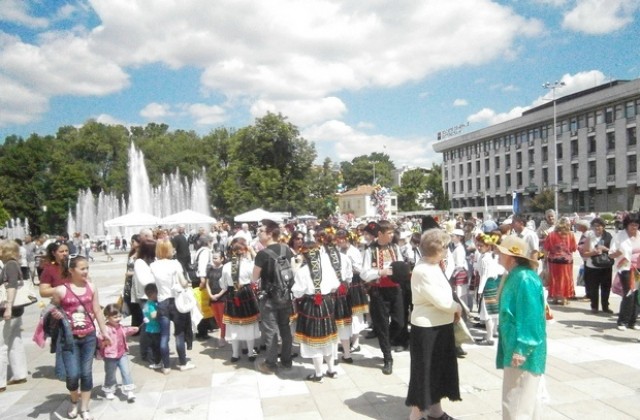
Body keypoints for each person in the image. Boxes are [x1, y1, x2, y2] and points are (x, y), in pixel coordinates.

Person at [405, 229, 462, 420]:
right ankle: (416, 415)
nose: (447, 251)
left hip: (440, 325)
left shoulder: (433, 265)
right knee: (425, 372)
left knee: (438, 370)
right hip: (427, 329)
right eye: (445, 247)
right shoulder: (423, 270)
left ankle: (436, 412)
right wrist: (457, 308)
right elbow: (442, 301)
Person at [495, 235, 547, 420]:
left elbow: (531, 318)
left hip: (523, 350)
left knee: (516, 404)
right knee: (527, 403)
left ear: (511, 256)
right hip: (516, 346)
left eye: (501, 252)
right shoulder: (515, 275)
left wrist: (521, 349)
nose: (497, 254)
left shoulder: (524, 278)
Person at [52, 256, 110, 420]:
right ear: (71, 270)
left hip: (89, 337)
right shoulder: (61, 290)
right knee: (72, 375)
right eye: (82, 268)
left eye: (87, 268)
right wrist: (55, 314)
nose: (85, 271)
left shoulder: (91, 287)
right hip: (69, 338)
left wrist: (104, 331)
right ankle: (73, 399)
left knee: (86, 373)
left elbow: (97, 310)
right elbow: (52, 308)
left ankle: (84, 407)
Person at [361, 220, 405, 375]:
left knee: (400, 322)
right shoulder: (369, 250)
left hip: (395, 289)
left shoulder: (395, 248)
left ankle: (386, 341)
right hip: (378, 292)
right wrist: (380, 272)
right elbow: (364, 274)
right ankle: (387, 357)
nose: (392, 235)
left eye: (393, 232)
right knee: (382, 325)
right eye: (389, 233)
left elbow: (400, 266)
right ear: (380, 234)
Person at [292, 241, 340, 382]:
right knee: (327, 339)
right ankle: (331, 370)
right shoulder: (327, 268)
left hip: (310, 305)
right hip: (326, 303)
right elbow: (335, 286)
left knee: (313, 342)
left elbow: (297, 293)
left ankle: (319, 374)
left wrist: (296, 269)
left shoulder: (302, 271)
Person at [253, 219, 295, 375]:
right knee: (285, 329)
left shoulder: (262, 254)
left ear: (270, 233)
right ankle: (287, 361)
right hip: (285, 296)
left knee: (270, 331)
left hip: (269, 297)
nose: (258, 233)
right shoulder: (287, 250)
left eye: (261, 231)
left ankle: (270, 364)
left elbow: (254, 277)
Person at [149, 239, 195, 373]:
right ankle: (182, 363)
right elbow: (183, 282)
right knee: (179, 333)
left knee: (164, 335)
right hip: (176, 301)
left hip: (162, 301)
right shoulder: (175, 263)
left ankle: (166, 366)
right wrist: (186, 284)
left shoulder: (153, 266)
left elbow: (150, 283)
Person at [212, 241, 260, 362]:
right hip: (246, 294)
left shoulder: (227, 266)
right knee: (249, 325)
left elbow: (222, 284)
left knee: (233, 326)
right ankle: (250, 353)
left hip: (232, 295)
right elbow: (254, 280)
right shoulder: (249, 265)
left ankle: (235, 354)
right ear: (244, 252)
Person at [0, 240, 29, 392]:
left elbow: (11, 286)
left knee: (1, 345)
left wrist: (8, 307)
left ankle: (1, 382)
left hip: (8, 310)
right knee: (14, 341)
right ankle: (19, 373)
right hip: (16, 310)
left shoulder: (10, 265)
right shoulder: (14, 264)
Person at [99, 304, 138, 402]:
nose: (118, 319)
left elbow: (125, 331)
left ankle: (129, 391)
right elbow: (99, 337)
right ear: (107, 317)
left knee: (126, 372)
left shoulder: (120, 327)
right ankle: (109, 389)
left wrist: (133, 329)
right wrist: (103, 340)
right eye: (115, 317)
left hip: (122, 354)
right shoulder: (105, 328)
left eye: (119, 316)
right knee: (110, 373)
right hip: (110, 356)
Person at [608, 212, 640, 330]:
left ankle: (632, 321)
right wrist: (618, 253)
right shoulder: (619, 236)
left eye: (636, 224)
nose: (634, 227)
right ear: (627, 224)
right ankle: (622, 321)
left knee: (637, 295)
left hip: (638, 269)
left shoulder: (639, 235)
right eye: (632, 225)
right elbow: (611, 254)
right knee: (629, 294)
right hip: (626, 268)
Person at [475, 233, 504, 345]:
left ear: (488, 246)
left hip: (488, 285)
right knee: (493, 311)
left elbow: (485, 275)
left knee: (487, 312)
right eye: (478, 245)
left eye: (481, 245)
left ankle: (489, 337)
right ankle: (494, 332)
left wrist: (480, 290)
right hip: (494, 284)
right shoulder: (491, 256)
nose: (478, 247)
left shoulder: (486, 258)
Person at [580, 218, 614, 314]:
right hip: (592, 266)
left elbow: (613, 251)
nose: (597, 228)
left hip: (606, 265)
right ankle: (594, 306)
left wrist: (605, 249)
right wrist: (593, 252)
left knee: (606, 287)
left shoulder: (608, 236)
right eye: (595, 226)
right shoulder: (589, 236)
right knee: (593, 288)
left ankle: (605, 306)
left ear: (603, 227)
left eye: (599, 226)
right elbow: (584, 253)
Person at [544, 217, 577, 305]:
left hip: (553, 260)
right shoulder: (570, 235)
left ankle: (555, 297)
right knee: (566, 278)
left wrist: (545, 258)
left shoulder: (551, 235)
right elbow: (574, 248)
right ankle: (564, 298)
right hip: (566, 261)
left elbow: (546, 248)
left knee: (555, 278)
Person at [131, 240, 156, 360]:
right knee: (148, 324)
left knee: (153, 323)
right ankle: (146, 352)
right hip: (145, 298)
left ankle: (153, 349)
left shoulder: (153, 260)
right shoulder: (140, 262)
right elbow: (145, 281)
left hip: (154, 296)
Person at [192, 235, 214, 339]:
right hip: (202, 279)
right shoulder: (205, 251)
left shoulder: (199, 250)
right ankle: (202, 331)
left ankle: (202, 329)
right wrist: (203, 279)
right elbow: (202, 265)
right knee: (203, 305)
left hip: (197, 279)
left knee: (200, 305)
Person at [206, 251, 226, 347]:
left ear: (222, 258)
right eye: (213, 258)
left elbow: (226, 284)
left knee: (222, 318)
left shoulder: (224, 269)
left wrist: (219, 294)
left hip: (222, 296)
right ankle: (223, 334)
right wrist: (210, 294)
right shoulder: (210, 269)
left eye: (216, 258)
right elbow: (207, 283)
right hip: (212, 296)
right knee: (217, 318)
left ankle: (222, 337)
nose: (214, 260)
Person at [143, 283, 162, 369]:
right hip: (155, 329)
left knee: (151, 346)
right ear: (152, 294)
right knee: (156, 347)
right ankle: (156, 362)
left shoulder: (147, 304)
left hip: (149, 329)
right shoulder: (151, 305)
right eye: (157, 293)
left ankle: (153, 361)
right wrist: (161, 309)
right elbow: (153, 315)